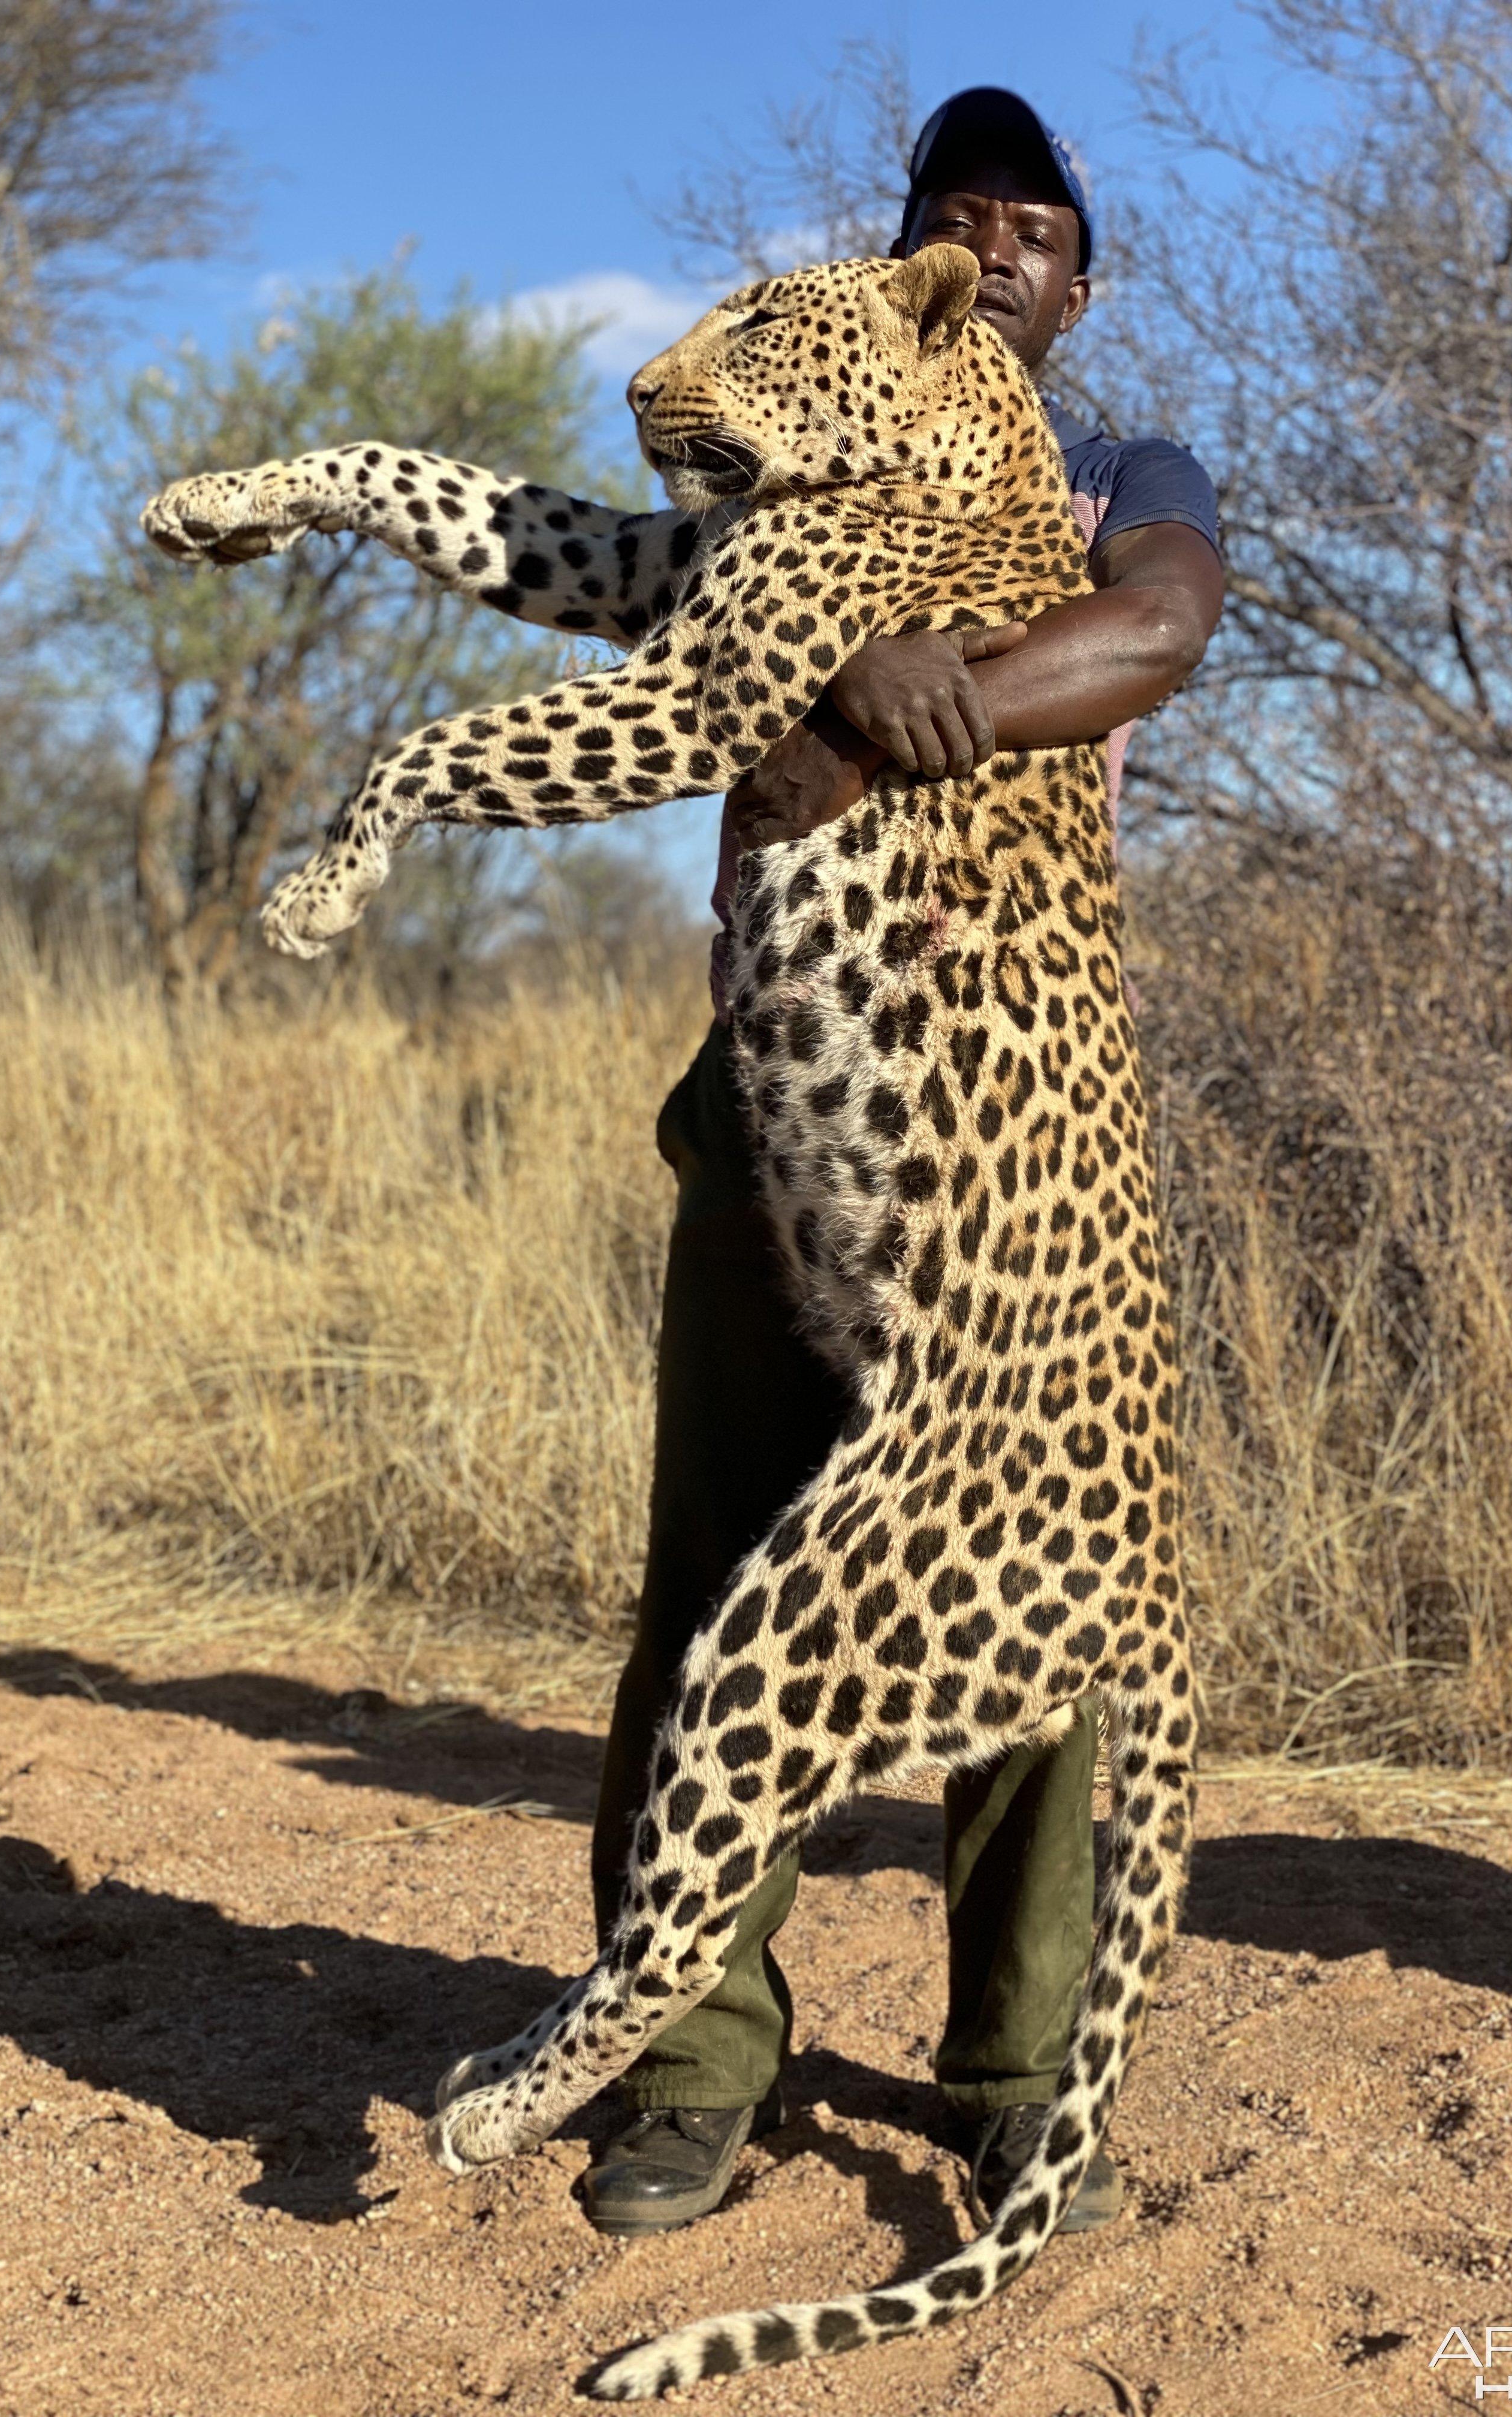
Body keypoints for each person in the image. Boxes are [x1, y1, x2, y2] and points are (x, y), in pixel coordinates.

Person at [582, 85, 1224, 2241]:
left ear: (1080, 278)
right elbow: (659, 630)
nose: (1009, 245)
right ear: (914, 274)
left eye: (1043, 223)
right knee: (725, 1579)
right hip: (785, 1087)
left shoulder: (1127, 472)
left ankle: (1024, 2073)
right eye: (967, 219)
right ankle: (687, 2063)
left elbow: (1154, 632)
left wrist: (872, 696)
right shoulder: (788, 457)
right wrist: (816, 641)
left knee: (1043, 1589)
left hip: (1014, 1123)